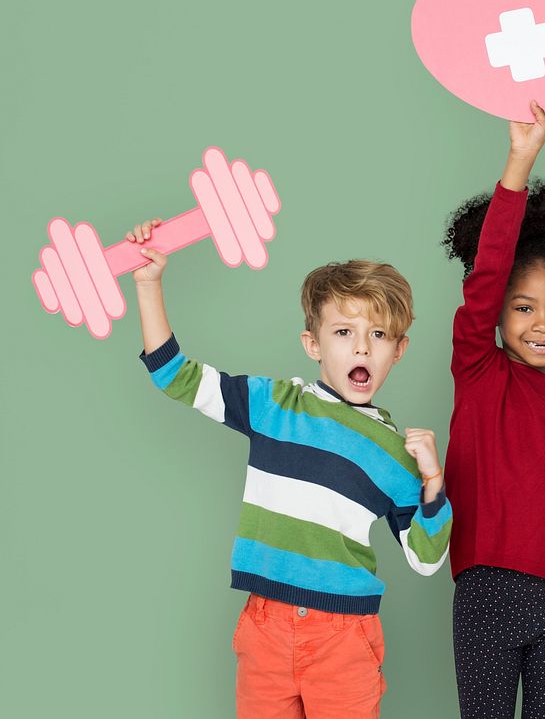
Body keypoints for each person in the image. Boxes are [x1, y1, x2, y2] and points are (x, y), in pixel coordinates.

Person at [127, 219, 452, 719]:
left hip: (344, 639)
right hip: (264, 627)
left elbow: (426, 559)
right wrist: (148, 284)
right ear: (313, 344)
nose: (362, 347)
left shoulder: (395, 453)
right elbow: (176, 376)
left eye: (379, 334)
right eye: (344, 332)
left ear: (398, 350)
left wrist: (433, 482)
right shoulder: (275, 405)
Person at [441, 102, 545, 718]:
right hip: (488, 589)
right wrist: (521, 160)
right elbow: (487, 275)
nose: (543, 324)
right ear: (498, 314)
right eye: (523, 307)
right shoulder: (479, 372)